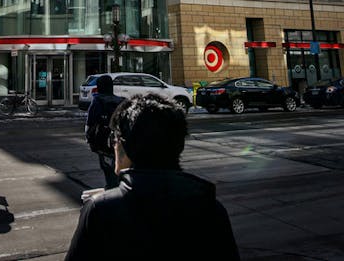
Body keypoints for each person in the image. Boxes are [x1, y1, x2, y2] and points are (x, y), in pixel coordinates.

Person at [65, 94, 240, 260]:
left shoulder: (100, 211)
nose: (113, 147)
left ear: (123, 145)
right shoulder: (212, 209)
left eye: (114, 139)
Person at [84, 75, 124, 189]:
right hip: (118, 142)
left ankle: (112, 190)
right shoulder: (120, 101)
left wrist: (89, 138)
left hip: (102, 142)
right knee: (118, 168)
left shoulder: (97, 101)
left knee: (107, 169)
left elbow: (90, 122)